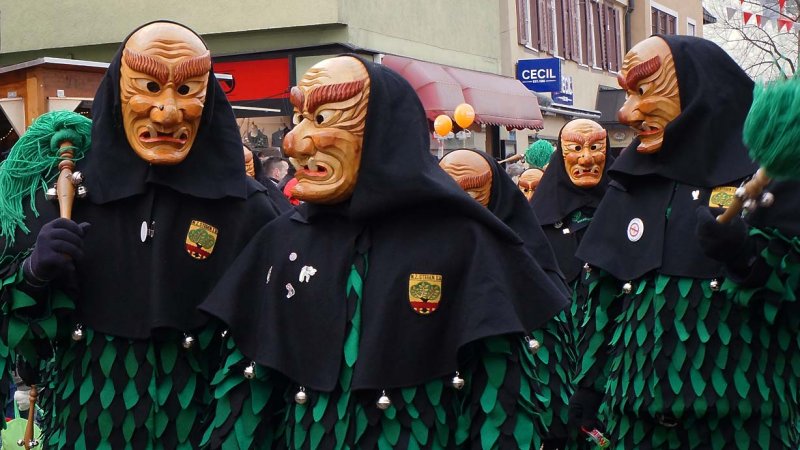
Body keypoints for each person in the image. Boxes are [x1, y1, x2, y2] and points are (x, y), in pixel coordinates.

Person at [199, 55, 569, 449]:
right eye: (299, 119)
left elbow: (500, 405)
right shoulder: (282, 239)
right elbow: (248, 395)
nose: (294, 142)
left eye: (322, 119)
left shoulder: (464, 242)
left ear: (384, 133)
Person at [0, 21, 288, 448]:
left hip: (201, 431)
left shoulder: (251, 209)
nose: (168, 112)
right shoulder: (67, 196)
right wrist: (33, 275)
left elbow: (271, 350)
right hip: (86, 428)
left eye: (187, 90)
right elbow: (26, 345)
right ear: (117, 93)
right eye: (149, 87)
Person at [570, 35, 783, 449]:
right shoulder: (631, 182)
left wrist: (747, 259)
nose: (625, 112)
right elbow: (604, 297)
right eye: (628, 93)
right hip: (635, 423)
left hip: (743, 426)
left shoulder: (772, 177)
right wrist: (589, 387)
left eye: (644, 91)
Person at [439, 148, 575, 449]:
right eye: (448, 190)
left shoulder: (527, 257)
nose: (460, 203)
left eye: (473, 192)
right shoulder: (421, 252)